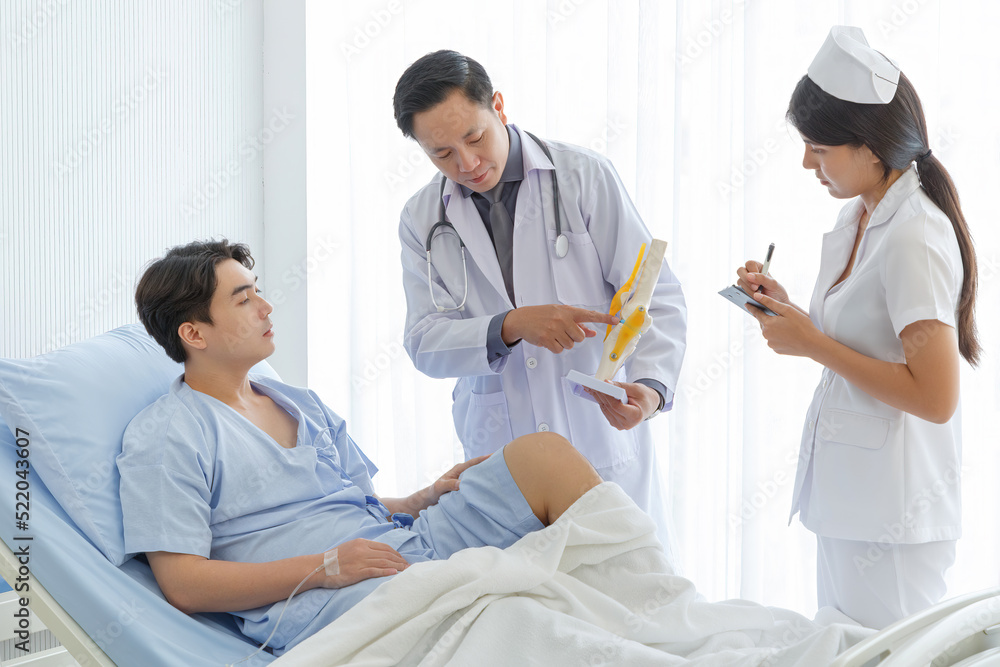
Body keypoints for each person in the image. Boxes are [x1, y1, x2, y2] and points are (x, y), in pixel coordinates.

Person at [117, 239, 603, 655]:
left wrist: (418, 499)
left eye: (258, 291)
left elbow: (356, 505)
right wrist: (325, 568)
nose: (266, 307)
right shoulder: (169, 434)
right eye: (244, 300)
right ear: (193, 333)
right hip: (335, 596)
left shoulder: (300, 403)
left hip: (400, 545)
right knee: (512, 616)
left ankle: (641, 596)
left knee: (545, 457)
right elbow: (183, 584)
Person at [736, 26, 979, 629]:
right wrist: (790, 313)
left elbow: (936, 398)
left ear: (871, 148)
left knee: (886, 657)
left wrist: (813, 345)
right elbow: (865, 336)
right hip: (852, 504)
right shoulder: (860, 217)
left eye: (818, 149)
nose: (806, 163)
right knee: (845, 652)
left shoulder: (915, 235)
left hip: (894, 521)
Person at [393, 50, 687, 547]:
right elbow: (424, 343)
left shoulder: (582, 177)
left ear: (498, 106)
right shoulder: (422, 219)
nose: (466, 164)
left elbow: (654, 297)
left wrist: (651, 389)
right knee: (519, 591)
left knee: (622, 582)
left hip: (597, 441)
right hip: (501, 455)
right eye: (441, 154)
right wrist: (509, 326)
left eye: (474, 138)